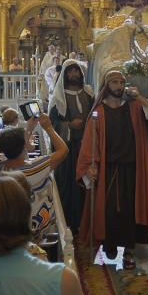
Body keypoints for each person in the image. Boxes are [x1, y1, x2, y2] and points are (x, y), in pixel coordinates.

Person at [77, 69, 148, 269]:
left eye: (121, 82)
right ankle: (109, 249)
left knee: (129, 212)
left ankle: (128, 252)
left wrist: (142, 98)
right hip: (108, 171)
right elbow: (90, 142)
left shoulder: (135, 107)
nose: (118, 86)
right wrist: (91, 164)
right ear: (106, 86)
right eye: (114, 82)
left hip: (132, 170)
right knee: (109, 211)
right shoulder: (98, 112)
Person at [0, 115, 69, 240]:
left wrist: (28, 129)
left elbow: (16, 148)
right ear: (24, 146)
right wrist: (48, 128)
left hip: (11, 227)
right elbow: (64, 150)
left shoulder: (0, 167)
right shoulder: (35, 168)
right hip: (38, 230)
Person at [48, 58, 94, 233]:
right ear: (65, 74)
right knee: (68, 185)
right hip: (68, 149)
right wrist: (69, 125)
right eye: (70, 71)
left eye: (77, 70)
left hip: (87, 147)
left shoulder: (89, 94)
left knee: (87, 184)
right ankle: (68, 223)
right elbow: (52, 123)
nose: (74, 74)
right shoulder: (59, 97)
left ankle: (87, 221)